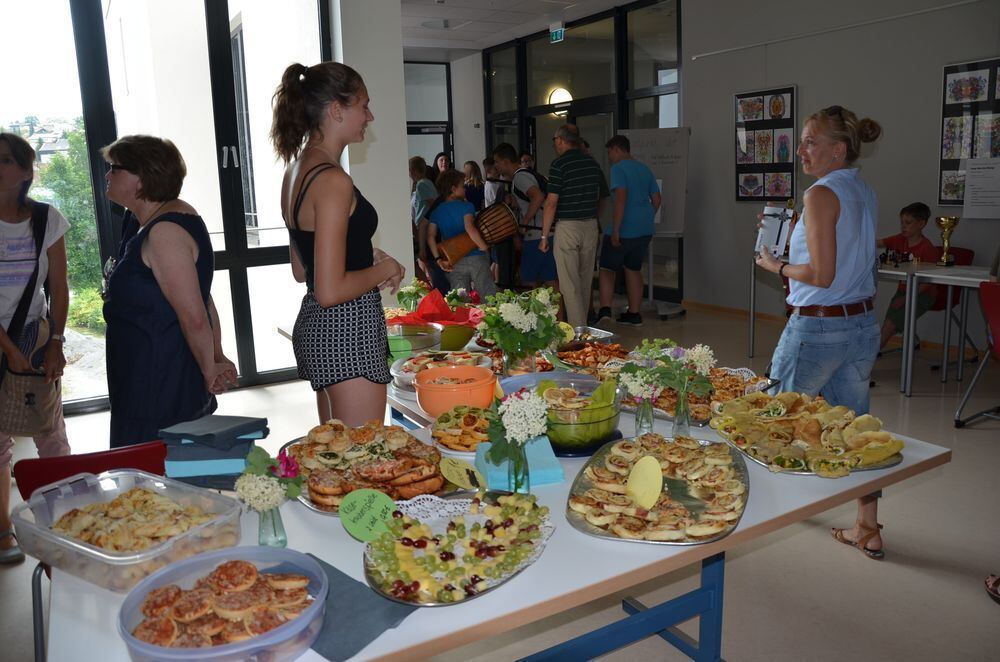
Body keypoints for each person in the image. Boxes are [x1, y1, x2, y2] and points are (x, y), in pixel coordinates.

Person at [755, 105, 885, 559]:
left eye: (811, 141)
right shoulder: (862, 190)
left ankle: (762, 517)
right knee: (856, 430)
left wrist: (778, 265)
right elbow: (849, 255)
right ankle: (867, 526)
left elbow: (823, 273)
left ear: (838, 149)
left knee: (773, 416)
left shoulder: (818, 195)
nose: (802, 149)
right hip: (861, 325)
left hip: (819, 327)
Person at [271, 62, 406, 425]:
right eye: (363, 105)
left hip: (320, 328)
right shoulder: (333, 180)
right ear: (336, 109)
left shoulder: (296, 170)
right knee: (362, 459)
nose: (370, 115)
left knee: (336, 455)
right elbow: (331, 289)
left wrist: (367, 252)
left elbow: (304, 269)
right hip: (347, 328)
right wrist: (386, 268)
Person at [102, 135, 237, 448]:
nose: (108, 176)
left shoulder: (165, 231)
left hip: (160, 380)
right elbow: (202, 297)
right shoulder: (139, 221)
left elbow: (195, 313)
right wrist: (215, 354)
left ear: (142, 176)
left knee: (158, 482)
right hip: (142, 376)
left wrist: (210, 367)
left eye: (115, 169)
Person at [0, 133, 71, 564]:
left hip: (35, 334)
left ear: (26, 171)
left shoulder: (46, 219)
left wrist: (57, 341)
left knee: (50, 431)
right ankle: (3, 530)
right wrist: (7, 348)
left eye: (6, 160)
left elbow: (59, 287)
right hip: (5, 341)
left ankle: (62, 519)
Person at [540, 124, 608, 328]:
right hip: (590, 226)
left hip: (568, 227)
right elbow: (604, 196)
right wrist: (594, 217)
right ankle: (582, 327)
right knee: (585, 281)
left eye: (554, 140)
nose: (554, 144)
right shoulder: (592, 163)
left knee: (569, 284)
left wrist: (544, 236)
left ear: (561, 139)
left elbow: (551, 203)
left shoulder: (559, 165)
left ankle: (579, 332)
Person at [596, 135, 661, 326]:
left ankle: (605, 311)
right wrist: (646, 216)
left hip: (625, 229)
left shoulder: (618, 169)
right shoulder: (644, 169)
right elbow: (657, 200)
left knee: (607, 269)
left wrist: (616, 230)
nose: (610, 157)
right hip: (644, 229)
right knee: (633, 269)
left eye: (610, 153)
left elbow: (621, 198)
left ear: (616, 149)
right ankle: (634, 314)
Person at [493, 142, 557, 290]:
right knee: (551, 283)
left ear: (505, 161)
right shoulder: (527, 174)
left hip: (535, 235)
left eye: (497, 162)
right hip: (547, 232)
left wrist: (525, 223)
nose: (496, 166)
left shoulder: (520, 177)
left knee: (529, 283)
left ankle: (532, 313)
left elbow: (538, 197)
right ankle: (556, 314)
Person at [876, 202, 940, 349]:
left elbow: (928, 282)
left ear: (921, 224)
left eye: (908, 223)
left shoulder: (927, 248)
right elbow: (878, 243)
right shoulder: (899, 239)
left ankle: (866, 361)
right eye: (902, 223)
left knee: (889, 325)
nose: (903, 226)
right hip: (904, 291)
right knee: (889, 323)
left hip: (922, 293)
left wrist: (906, 299)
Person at [427, 170, 496, 298]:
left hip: (454, 259)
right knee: (487, 294)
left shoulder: (437, 211)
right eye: (462, 186)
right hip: (476, 257)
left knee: (459, 298)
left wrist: (438, 259)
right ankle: (491, 317)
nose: (465, 189)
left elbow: (430, 237)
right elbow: (470, 228)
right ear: (453, 189)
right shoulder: (467, 206)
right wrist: (483, 246)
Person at [409, 156, 446, 291]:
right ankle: (434, 291)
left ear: (413, 170)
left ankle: (436, 293)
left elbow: (432, 206)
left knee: (429, 263)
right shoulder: (421, 184)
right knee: (426, 265)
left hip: (425, 229)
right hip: (422, 229)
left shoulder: (422, 184)